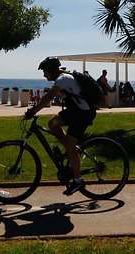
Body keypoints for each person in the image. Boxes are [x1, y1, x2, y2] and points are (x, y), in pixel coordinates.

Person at [26, 57, 97, 196]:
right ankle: (70, 149)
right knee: (52, 123)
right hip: (75, 111)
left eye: (45, 71)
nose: (44, 74)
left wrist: (33, 111)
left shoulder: (62, 79)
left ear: (52, 71)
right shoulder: (62, 77)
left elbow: (48, 98)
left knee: (70, 146)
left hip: (83, 113)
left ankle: (78, 180)